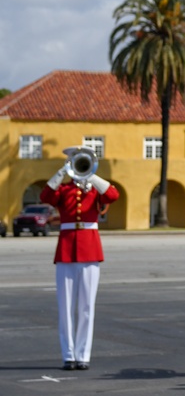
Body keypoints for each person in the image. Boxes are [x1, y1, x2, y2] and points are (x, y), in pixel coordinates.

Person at [39, 150, 120, 370]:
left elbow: (113, 195)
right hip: (66, 249)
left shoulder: (95, 191)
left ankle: (83, 355)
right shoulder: (64, 189)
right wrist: (61, 173)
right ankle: (68, 355)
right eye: (75, 163)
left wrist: (90, 174)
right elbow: (45, 196)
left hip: (90, 249)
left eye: (81, 163)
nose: (78, 169)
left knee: (86, 306)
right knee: (65, 307)